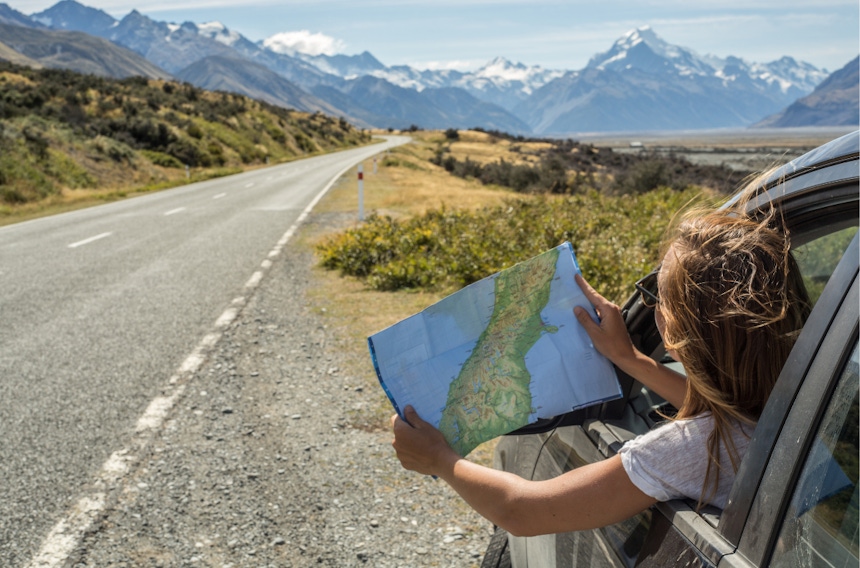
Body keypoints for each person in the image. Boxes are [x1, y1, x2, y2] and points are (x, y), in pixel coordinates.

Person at [390, 200, 811, 538]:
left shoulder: (692, 450)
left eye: (657, 297)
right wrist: (629, 358)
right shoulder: (801, 399)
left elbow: (520, 511)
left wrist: (440, 460)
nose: (651, 308)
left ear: (679, 329)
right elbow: (729, 411)